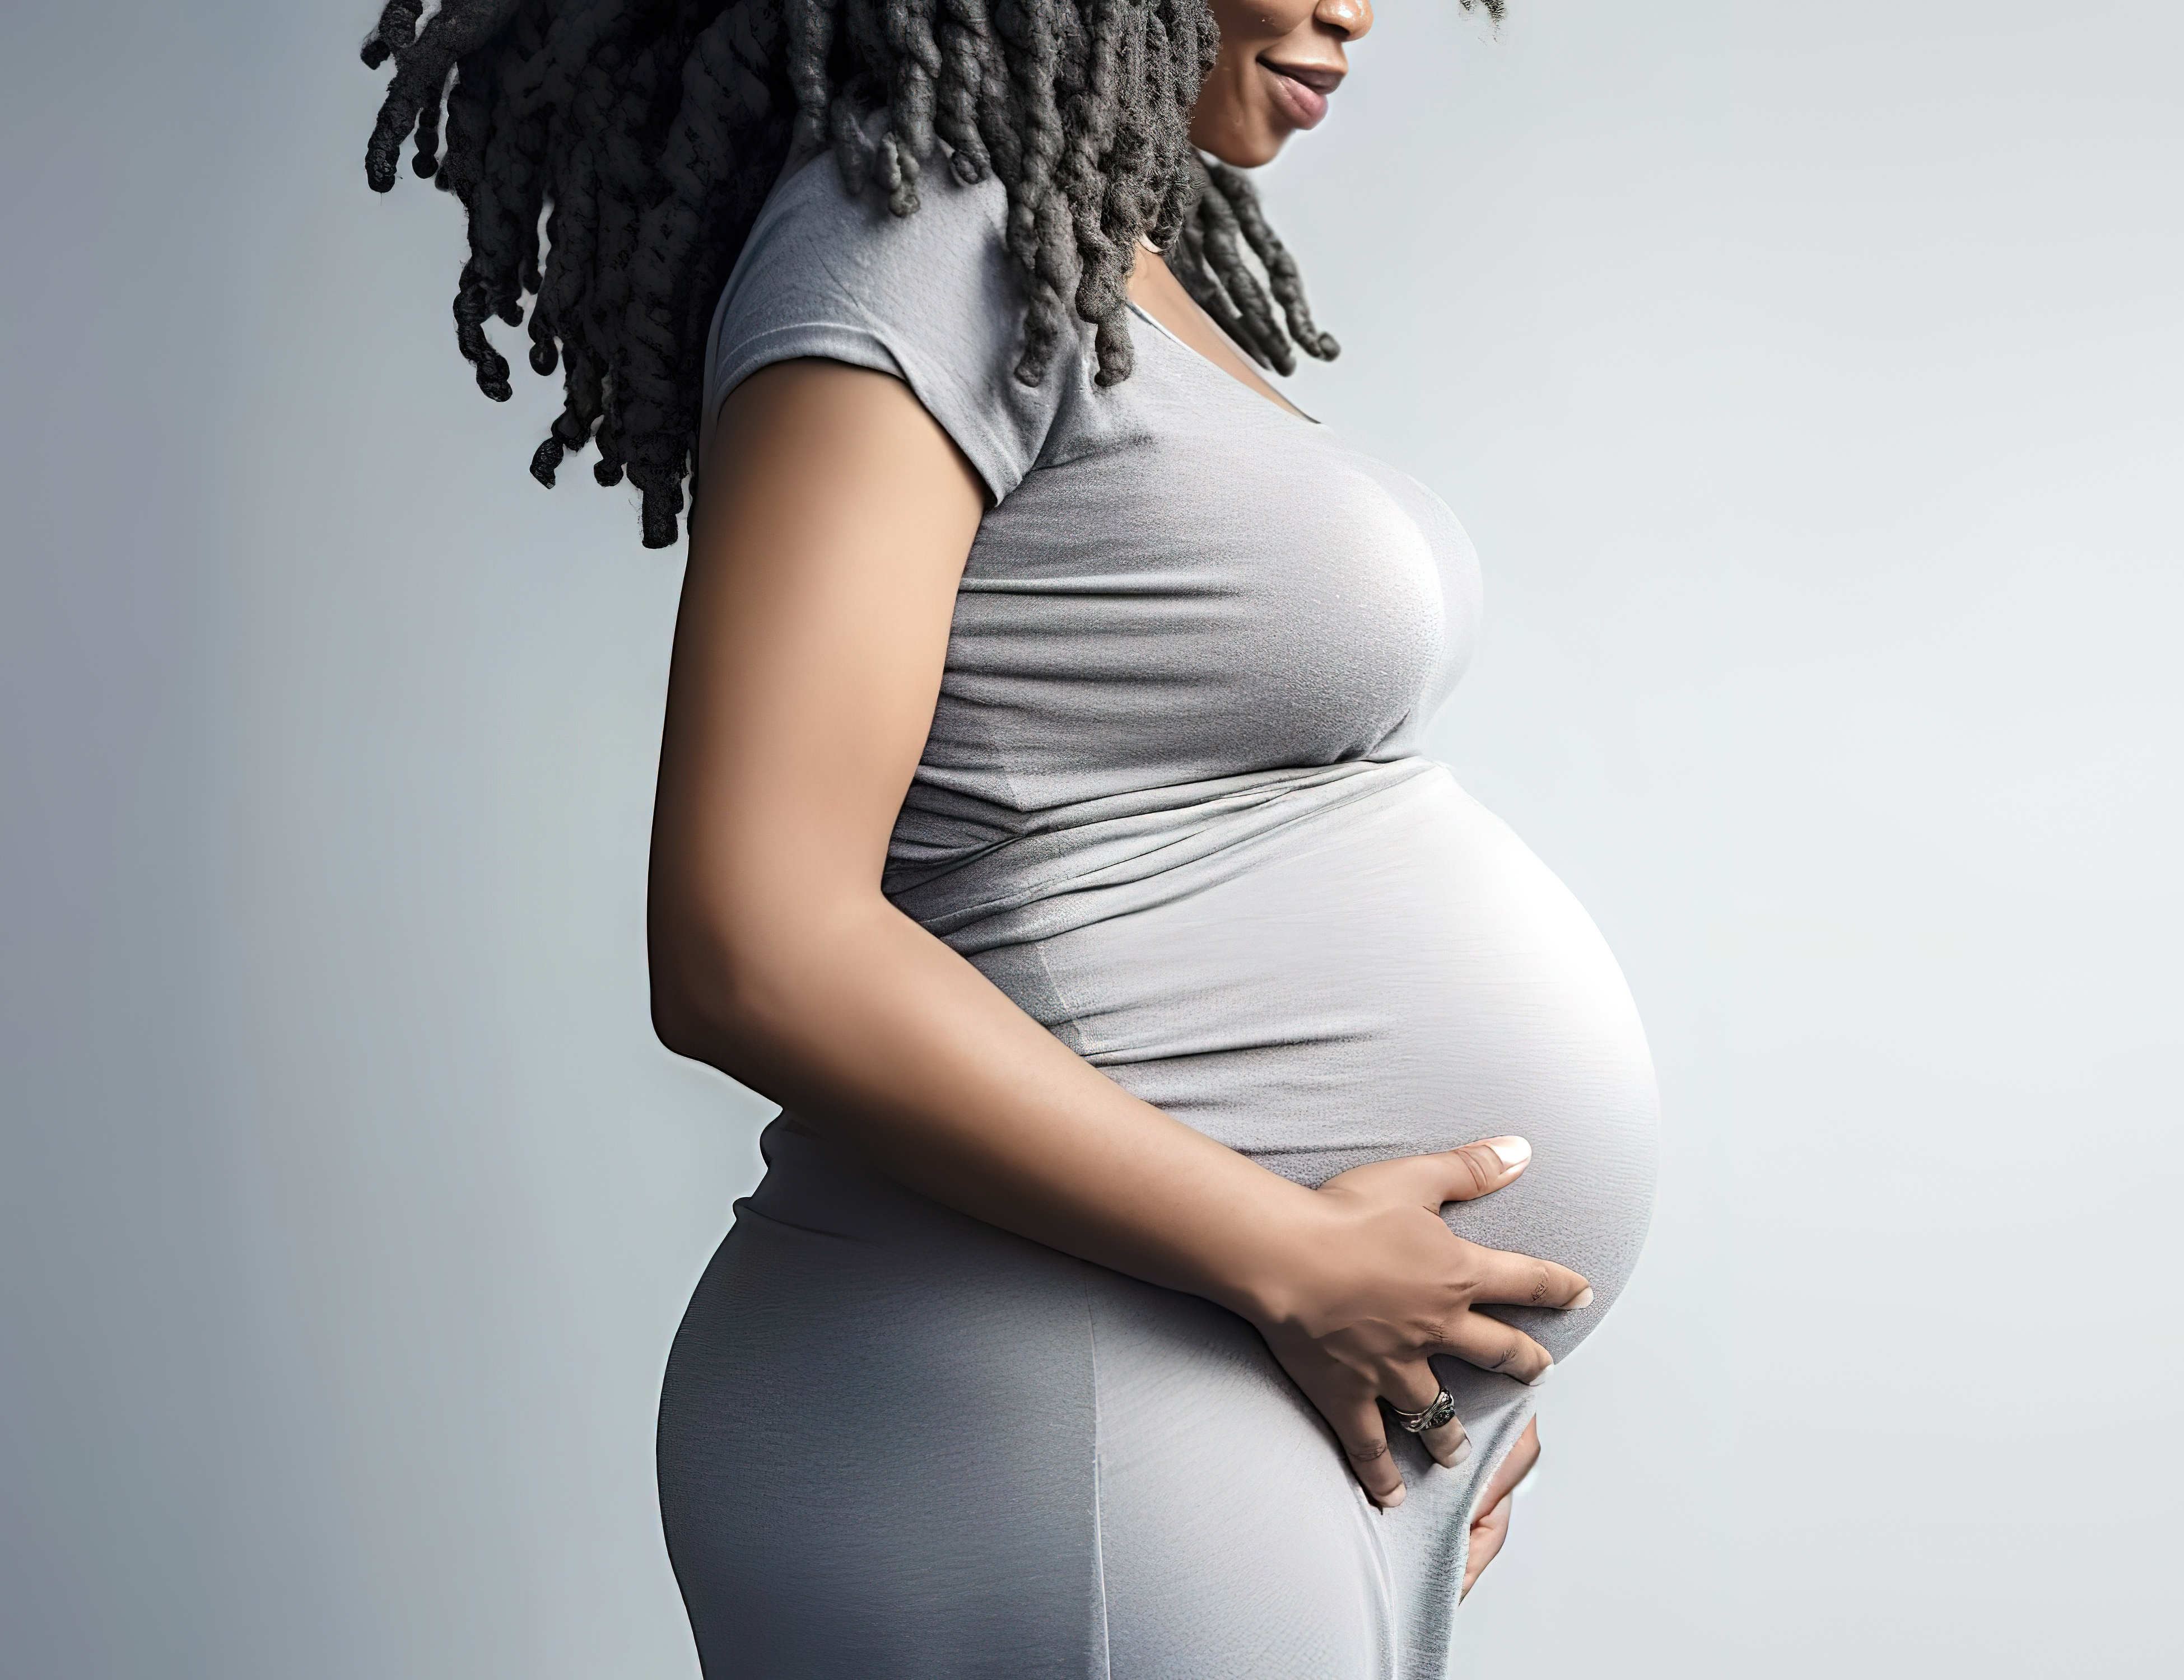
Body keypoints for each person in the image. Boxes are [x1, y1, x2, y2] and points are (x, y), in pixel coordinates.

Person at [356, 1, 1660, 1673]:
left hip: (1208, 1402)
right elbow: (753, 940)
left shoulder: (1090, 241)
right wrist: (1294, 1260)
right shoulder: (911, 229)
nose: (1354, 6)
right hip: (1060, 1398)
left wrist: (1451, 1373)